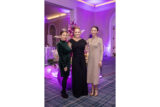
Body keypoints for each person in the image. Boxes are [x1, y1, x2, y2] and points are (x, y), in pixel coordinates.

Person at [68, 27, 88, 98]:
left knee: (83, 74)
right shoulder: (70, 41)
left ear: (80, 32)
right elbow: (68, 52)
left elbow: (86, 51)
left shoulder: (83, 41)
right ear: (74, 33)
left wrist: (87, 58)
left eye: (78, 32)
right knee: (76, 75)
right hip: (75, 60)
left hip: (82, 60)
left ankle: (83, 91)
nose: (77, 33)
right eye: (76, 32)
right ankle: (77, 92)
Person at [87, 26, 103, 96]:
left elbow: (102, 50)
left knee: (95, 75)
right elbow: (85, 48)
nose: (93, 32)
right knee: (91, 74)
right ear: (91, 31)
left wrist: (100, 60)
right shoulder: (89, 40)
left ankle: (96, 89)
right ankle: (92, 89)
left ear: (97, 31)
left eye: (95, 30)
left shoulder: (100, 40)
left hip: (97, 60)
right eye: (92, 30)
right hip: (90, 60)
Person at [57, 30, 72, 98]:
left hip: (67, 62)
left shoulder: (66, 43)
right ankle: (63, 92)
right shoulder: (59, 44)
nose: (65, 36)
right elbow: (61, 56)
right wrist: (64, 65)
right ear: (60, 36)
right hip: (64, 63)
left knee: (66, 77)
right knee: (65, 78)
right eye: (63, 35)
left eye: (66, 35)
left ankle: (63, 90)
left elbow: (69, 51)